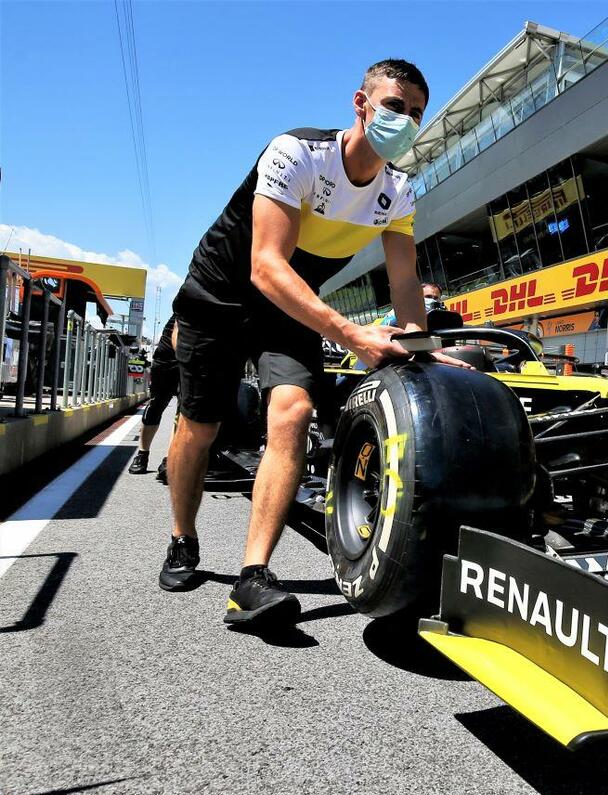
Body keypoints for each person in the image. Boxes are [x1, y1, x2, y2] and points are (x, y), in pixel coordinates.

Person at [159, 58, 470, 627]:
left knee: (294, 411)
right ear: (361, 103)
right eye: (395, 106)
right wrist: (351, 334)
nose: (405, 120)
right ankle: (182, 535)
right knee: (199, 429)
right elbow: (265, 266)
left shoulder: (398, 191)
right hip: (221, 294)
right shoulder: (296, 153)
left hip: (290, 307)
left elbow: (404, 283)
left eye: (416, 114)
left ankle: (252, 578)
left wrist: (424, 349)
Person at [128, 315, 179, 474]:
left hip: (194, 357)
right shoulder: (190, 294)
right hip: (168, 355)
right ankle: (142, 454)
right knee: (156, 405)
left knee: (185, 410)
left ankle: (171, 459)